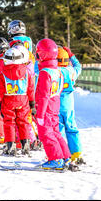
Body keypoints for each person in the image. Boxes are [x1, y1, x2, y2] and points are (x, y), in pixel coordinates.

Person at [35, 38, 71, 170]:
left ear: (43, 54)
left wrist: (40, 114)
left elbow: (44, 95)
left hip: (46, 109)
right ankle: (65, 156)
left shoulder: (45, 73)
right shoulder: (58, 71)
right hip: (54, 107)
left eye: (38, 53)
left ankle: (55, 159)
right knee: (56, 133)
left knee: (46, 134)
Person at [0, 46, 35, 155]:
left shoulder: (2, 72)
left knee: (9, 122)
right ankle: (25, 144)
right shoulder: (26, 72)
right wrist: (32, 102)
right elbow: (30, 88)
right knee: (23, 122)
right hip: (23, 100)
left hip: (8, 100)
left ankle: (10, 145)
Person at [57, 46, 83, 164]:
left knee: (59, 130)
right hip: (69, 105)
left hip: (56, 104)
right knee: (72, 128)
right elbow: (78, 66)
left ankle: (63, 154)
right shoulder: (72, 71)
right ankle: (76, 153)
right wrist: (71, 55)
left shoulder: (53, 71)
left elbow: (37, 69)